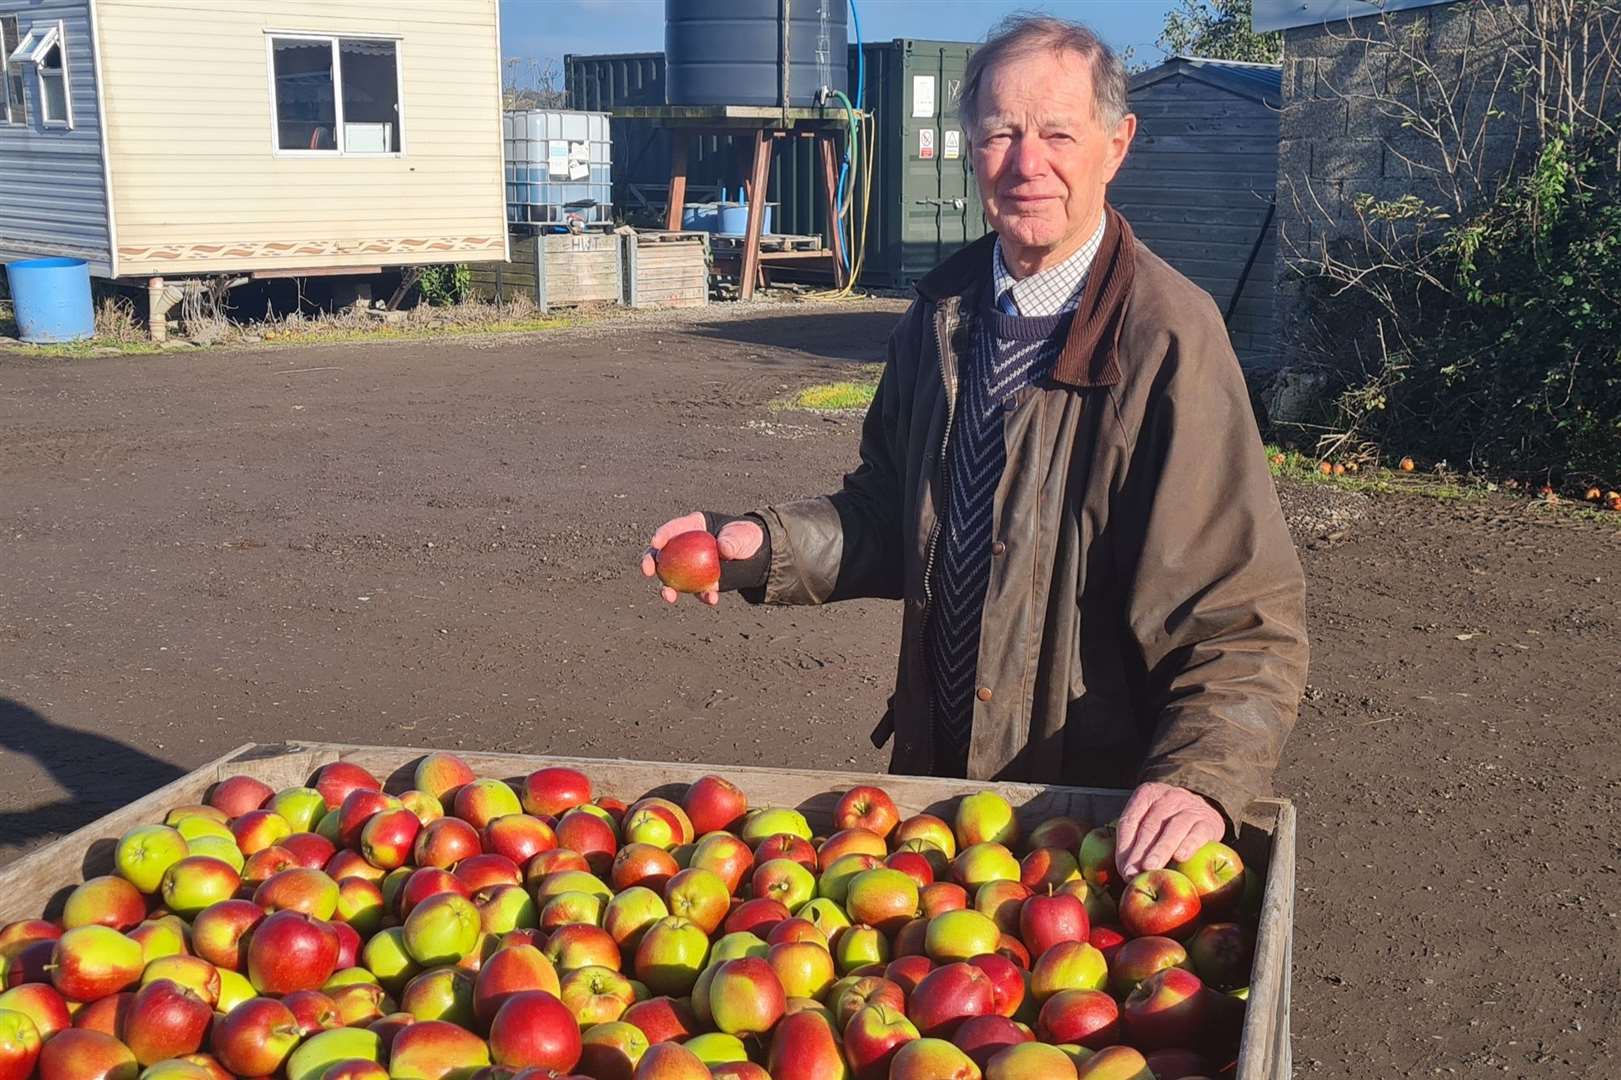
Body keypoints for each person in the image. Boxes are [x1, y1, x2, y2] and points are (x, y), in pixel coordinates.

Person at [640, 15, 1308, 880]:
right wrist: (761, 547)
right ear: (968, 145)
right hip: (934, 792)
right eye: (1001, 132)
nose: (1027, 163)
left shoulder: (1166, 338)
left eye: (1057, 133)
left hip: (1089, 817)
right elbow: (891, 512)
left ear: (1116, 144)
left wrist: (1197, 780)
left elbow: (1240, 614)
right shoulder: (943, 312)